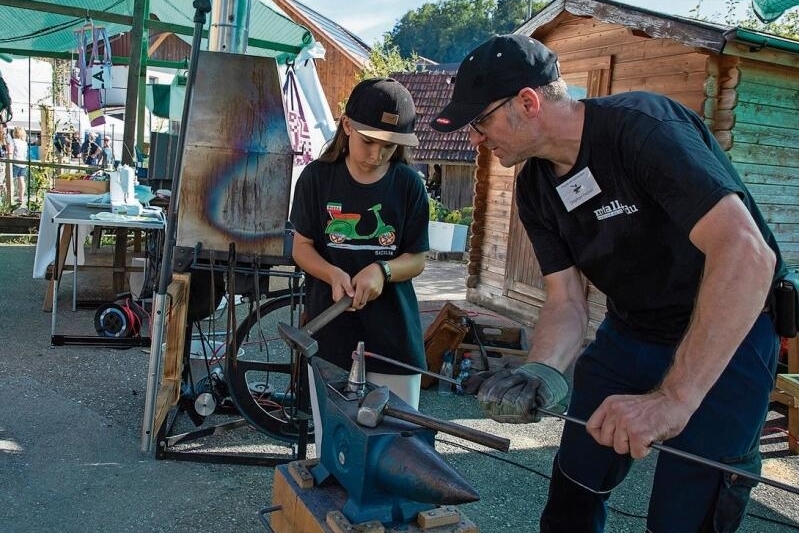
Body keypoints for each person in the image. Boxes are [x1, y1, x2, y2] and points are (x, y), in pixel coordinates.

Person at [431, 34, 785, 533]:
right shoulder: (535, 185)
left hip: (733, 331)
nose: (475, 138)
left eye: (479, 120)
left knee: (685, 515)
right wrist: (542, 371)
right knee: (573, 489)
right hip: (635, 330)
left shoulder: (643, 130)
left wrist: (674, 399)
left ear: (528, 103)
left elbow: (747, 255)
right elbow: (566, 300)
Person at [289, 77, 430, 449]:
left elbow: (416, 259)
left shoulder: (409, 185)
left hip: (394, 336)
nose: (377, 154)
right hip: (330, 333)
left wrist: (383, 271)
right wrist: (331, 272)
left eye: (389, 146)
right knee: (334, 445)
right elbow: (301, 247)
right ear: (347, 125)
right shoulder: (317, 178)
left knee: (396, 447)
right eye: (369, 141)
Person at [10, 126, 28, 205]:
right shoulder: (24, 143)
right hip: (23, 163)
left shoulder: (13, 141)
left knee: (11, 180)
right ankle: (21, 197)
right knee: (21, 180)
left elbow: (11, 151)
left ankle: (10, 197)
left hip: (15, 162)